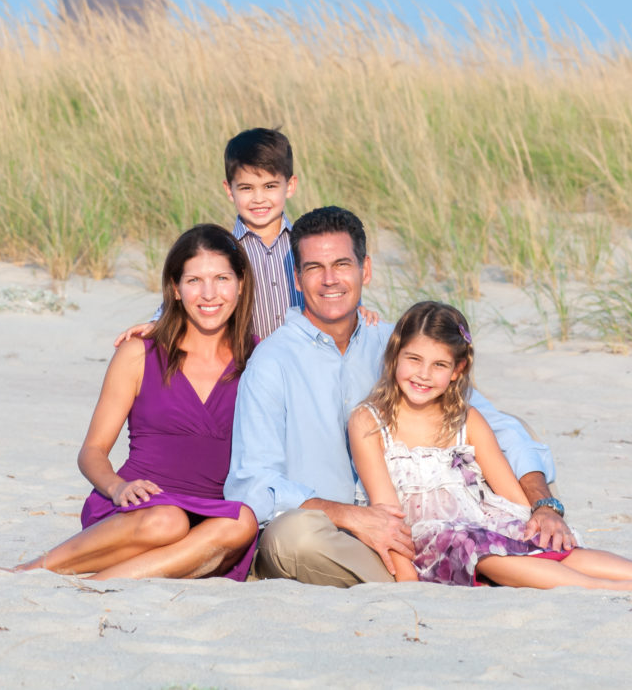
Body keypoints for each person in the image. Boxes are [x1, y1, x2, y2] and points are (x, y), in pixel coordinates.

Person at [224, 206, 574, 587]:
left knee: (516, 429)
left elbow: (495, 425)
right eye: (313, 268)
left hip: (423, 529)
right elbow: (252, 483)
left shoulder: (396, 344)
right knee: (293, 538)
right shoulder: (271, 361)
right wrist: (351, 516)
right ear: (296, 278)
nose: (329, 280)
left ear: (366, 270)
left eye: (342, 264)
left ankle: (474, 560)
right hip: (336, 536)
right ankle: (457, 571)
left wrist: (544, 503)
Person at [351, 301, 632, 589]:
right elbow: (389, 517)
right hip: (428, 541)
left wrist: (536, 523)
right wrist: (407, 582)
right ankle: (604, 589)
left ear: (457, 371)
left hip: (481, 525)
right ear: (394, 356)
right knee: (470, 542)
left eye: (438, 365)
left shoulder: (467, 419)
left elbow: (513, 501)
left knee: (533, 537)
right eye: (413, 359)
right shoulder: (370, 422)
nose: (423, 374)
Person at [0, 224, 259, 579]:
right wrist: (117, 487)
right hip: (138, 508)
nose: (209, 294)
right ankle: (30, 569)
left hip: (210, 518)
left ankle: (98, 583)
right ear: (174, 289)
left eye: (221, 279)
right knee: (167, 521)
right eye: (193, 281)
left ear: (241, 284)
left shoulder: (259, 359)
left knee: (242, 521)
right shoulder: (138, 353)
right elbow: (92, 451)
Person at [114, 127, 376, 345]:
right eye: (247, 188)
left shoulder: (306, 244)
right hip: (247, 365)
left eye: (270, 186)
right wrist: (156, 323)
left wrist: (359, 311)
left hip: (307, 358)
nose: (259, 198)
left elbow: (336, 289)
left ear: (290, 186)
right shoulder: (223, 250)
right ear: (229, 190)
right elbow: (190, 294)